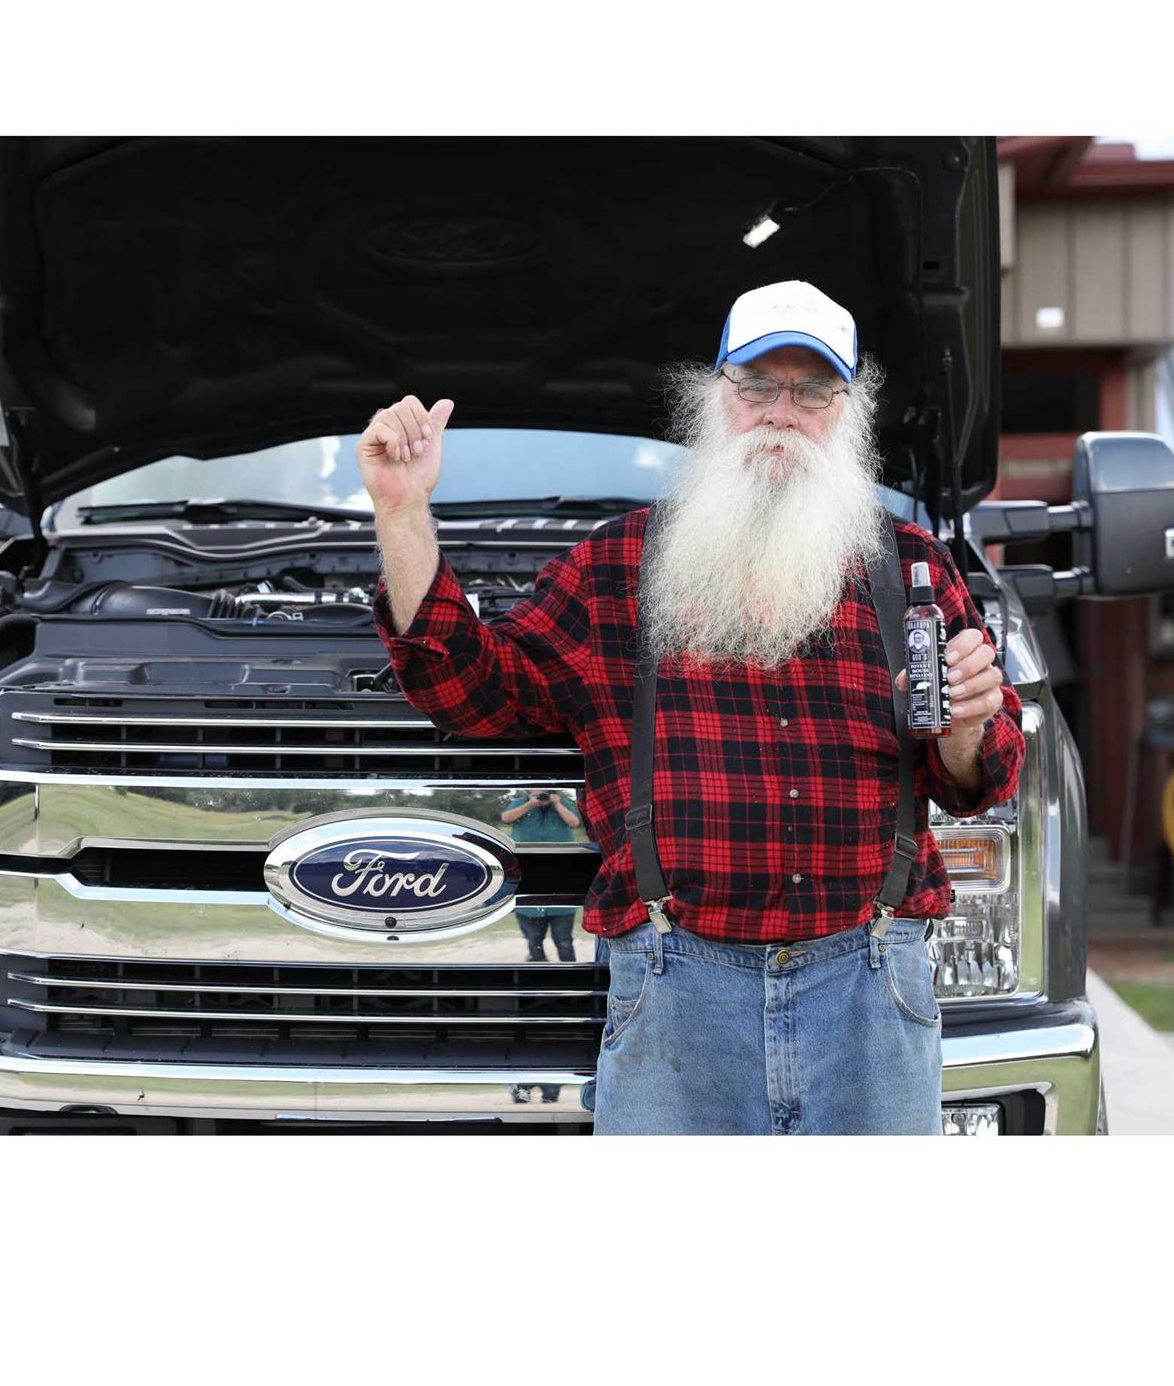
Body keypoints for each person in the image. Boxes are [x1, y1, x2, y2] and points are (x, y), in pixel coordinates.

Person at [360, 279, 1025, 1135]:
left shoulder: (912, 568)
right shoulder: (615, 568)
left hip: (871, 990)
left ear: (849, 411)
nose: (781, 414)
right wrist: (402, 511)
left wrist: (966, 725)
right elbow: (471, 690)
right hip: (676, 993)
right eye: (758, 386)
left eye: (813, 392)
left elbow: (982, 779)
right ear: (718, 397)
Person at [500, 787, 583, 963]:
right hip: (528, 881)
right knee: (533, 941)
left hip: (561, 883)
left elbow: (574, 822)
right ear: (529, 790)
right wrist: (530, 804)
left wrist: (557, 804)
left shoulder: (563, 803)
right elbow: (506, 818)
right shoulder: (520, 803)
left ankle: (570, 973)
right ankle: (538, 970)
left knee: (564, 941)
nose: (539, 791)